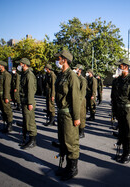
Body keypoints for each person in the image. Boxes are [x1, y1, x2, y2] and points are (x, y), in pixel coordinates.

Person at [54, 49, 81, 181]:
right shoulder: (60, 75)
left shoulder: (72, 76)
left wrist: (76, 117)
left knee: (71, 142)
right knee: (63, 141)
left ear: (64, 60)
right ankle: (67, 167)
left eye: (58, 58)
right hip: (61, 113)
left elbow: (76, 99)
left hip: (69, 114)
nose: (57, 61)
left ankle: (73, 168)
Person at [111, 58, 130, 164]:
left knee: (129, 132)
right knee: (121, 131)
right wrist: (114, 110)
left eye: (120, 66)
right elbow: (113, 97)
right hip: (119, 109)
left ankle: (128, 153)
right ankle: (122, 152)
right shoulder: (116, 80)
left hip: (128, 110)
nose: (118, 68)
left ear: (126, 67)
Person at [17, 58, 37, 149]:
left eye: (20, 64)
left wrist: (30, 103)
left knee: (30, 122)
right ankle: (27, 139)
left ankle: (32, 141)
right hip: (24, 101)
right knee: (26, 121)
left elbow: (30, 90)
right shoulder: (24, 74)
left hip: (28, 101)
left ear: (24, 64)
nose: (19, 66)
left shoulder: (29, 75)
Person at [0, 61, 13, 133]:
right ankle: (6, 125)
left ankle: (9, 126)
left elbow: (7, 86)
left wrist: (6, 97)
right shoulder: (0, 74)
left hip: (4, 95)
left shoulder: (6, 74)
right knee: (3, 111)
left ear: (2, 66)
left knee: (7, 111)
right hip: (0, 95)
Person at [73, 64, 87, 138]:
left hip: (81, 100)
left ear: (80, 70)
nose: (75, 70)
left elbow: (82, 92)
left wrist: (78, 102)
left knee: (81, 116)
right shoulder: (74, 78)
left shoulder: (82, 80)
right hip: (75, 99)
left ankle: (81, 132)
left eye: (77, 69)